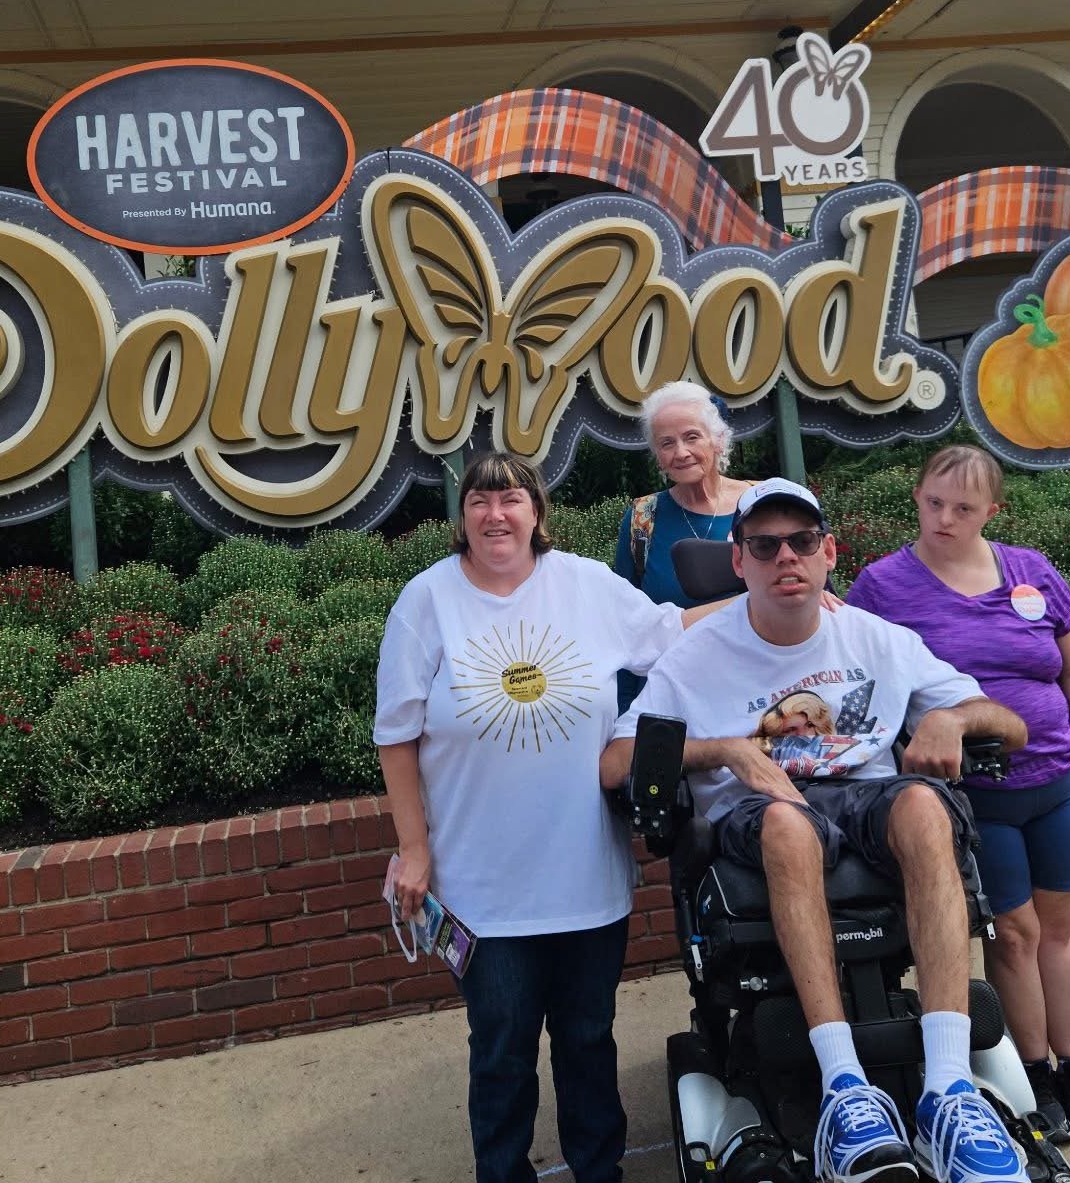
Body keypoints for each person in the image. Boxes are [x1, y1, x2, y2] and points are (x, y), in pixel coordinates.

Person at [602, 478, 1031, 1183]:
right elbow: (617, 762)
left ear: (829, 551)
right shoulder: (697, 654)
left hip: (868, 803)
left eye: (802, 542)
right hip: (761, 812)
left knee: (925, 804)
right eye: (765, 546)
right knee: (785, 823)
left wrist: (951, 719)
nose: (786, 558)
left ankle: (949, 1090)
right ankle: (844, 1090)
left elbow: (1007, 724)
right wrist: (725, 751)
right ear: (738, 561)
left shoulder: (876, 638)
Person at [375, 450, 723, 1183]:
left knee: (588, 1042)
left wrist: (771, 596)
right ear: (461, 517)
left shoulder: (584, 586)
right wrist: (415, 850)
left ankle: (600, 1172)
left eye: (512, 500)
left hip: (584, 879)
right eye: (480, 501)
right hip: (482, 889)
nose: (495, 514)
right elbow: (396, 736)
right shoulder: (426, 601)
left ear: (538, 514)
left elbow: (672, 635)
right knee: (500, 1051)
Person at [845, 446, 1070, 1149]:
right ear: (916, 498)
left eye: (964, 509)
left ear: (993, 512)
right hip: (975, 803)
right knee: (1011, 935)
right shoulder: (881, 587)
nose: (945, 518)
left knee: (1058, 935)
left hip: (1059, 785)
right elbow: (855, 677)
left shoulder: (1031, 572)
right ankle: (1032, 1072)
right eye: (933, 502)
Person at [612, 380, 757, 608]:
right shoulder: (642, 519)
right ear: (658, 456)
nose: (681, 453)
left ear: (718, 440)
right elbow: (624, 609)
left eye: (692, 437)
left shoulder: (761, 501)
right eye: (667, 443)